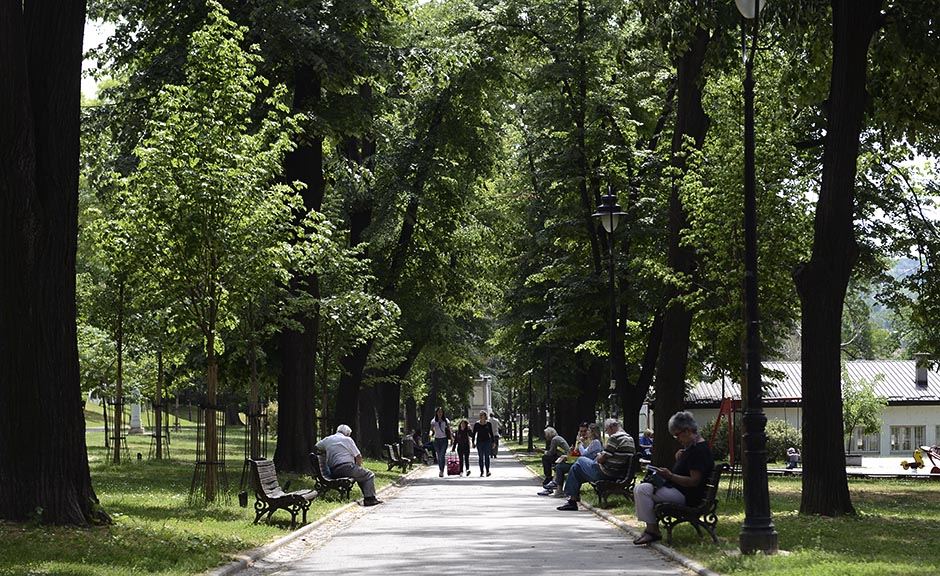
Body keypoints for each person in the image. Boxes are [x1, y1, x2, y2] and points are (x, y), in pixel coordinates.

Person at [632, 410, 714, 544]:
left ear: (687, 431)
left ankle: (652, 531)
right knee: (640, 488)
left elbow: (694, 481)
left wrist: (670, 475)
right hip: (680, 491)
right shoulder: (692, 448)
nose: (678, 440)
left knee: (642, 490)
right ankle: (651, 529)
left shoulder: (698, 451)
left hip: (688, 496)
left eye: (677, 435)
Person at [556, 418, 634, 511]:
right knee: (576, 469)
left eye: (606, 430)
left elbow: (601, 459)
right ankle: (572, 500)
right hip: (620, 473)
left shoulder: (615, 438)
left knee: (580, 460)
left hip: (607, 473)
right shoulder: (630, 438)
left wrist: (599, 455)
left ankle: (571, 500)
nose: (607, 433)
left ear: (611, 427)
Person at [316, 424, 383, 506]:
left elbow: (317, 446)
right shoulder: (347, 439)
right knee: (369, 475)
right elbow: (358, 456)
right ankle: (370, 499)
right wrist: (358, 467)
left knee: (361, 476)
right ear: (347, 433)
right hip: (347, 468)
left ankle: (368, 497)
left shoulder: (327, 439)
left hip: (334, 470)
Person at [539, 422, 602, 497]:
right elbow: (576, 453)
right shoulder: (583, 440)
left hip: (584, 464)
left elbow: (584, 455)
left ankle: (558, 488)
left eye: (585, 431)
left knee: (559, 466)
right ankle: (556, 488)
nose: (583, 433)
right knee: (559, 465)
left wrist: (579, 443)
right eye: (581, 431)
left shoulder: (591, 442)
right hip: (577, 461)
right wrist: (570, 454)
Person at [429, 408, 452, 477]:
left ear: (443, 413)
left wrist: (452, 438)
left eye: (441, 412)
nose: (440, 413)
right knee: (439, 456)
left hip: (444, 439)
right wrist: (430, 434)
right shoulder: (433, 421)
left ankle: (442, 470)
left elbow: (449, 430)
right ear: (436, 413)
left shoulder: (446, 420)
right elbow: (431, 429)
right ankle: (441, 470)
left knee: (442, 455)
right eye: (438, 412)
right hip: (436, 440)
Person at [472, 411, 495, 476]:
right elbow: (474, 434)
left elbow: (491, 433)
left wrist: (493, 442)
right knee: (481, 457)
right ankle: (481, 471)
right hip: (479, 442)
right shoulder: (477, 424)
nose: (481, 416)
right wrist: (473, 442)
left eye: (483, 415)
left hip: (487, 441)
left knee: (487, 457)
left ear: (485, 416)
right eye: (480, 415)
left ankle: (487, 471)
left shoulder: (488, 424)